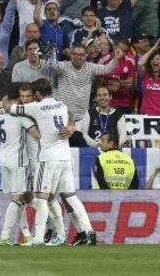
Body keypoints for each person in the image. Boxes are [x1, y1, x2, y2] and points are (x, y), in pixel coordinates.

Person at [8, 79, 97, 246]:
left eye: (33, 94)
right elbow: (71, 115)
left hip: (48, 158)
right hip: (65, 156)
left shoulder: (36, 106)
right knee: (71, 196)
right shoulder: (62, 105)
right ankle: (89, 231)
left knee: (41, 197)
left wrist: (8, 100)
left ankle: (38, 238)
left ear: (38, 94)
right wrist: (70, 126)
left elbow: (10, 109)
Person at [0, 84, 39, 246]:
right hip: (18, 162)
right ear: (17, 99)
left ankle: (27, 235)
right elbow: (37, 134)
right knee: (18, 198)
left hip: (3, 160)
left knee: (22, 199)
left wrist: (4, 102)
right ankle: (5, 236)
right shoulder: (21, 117)